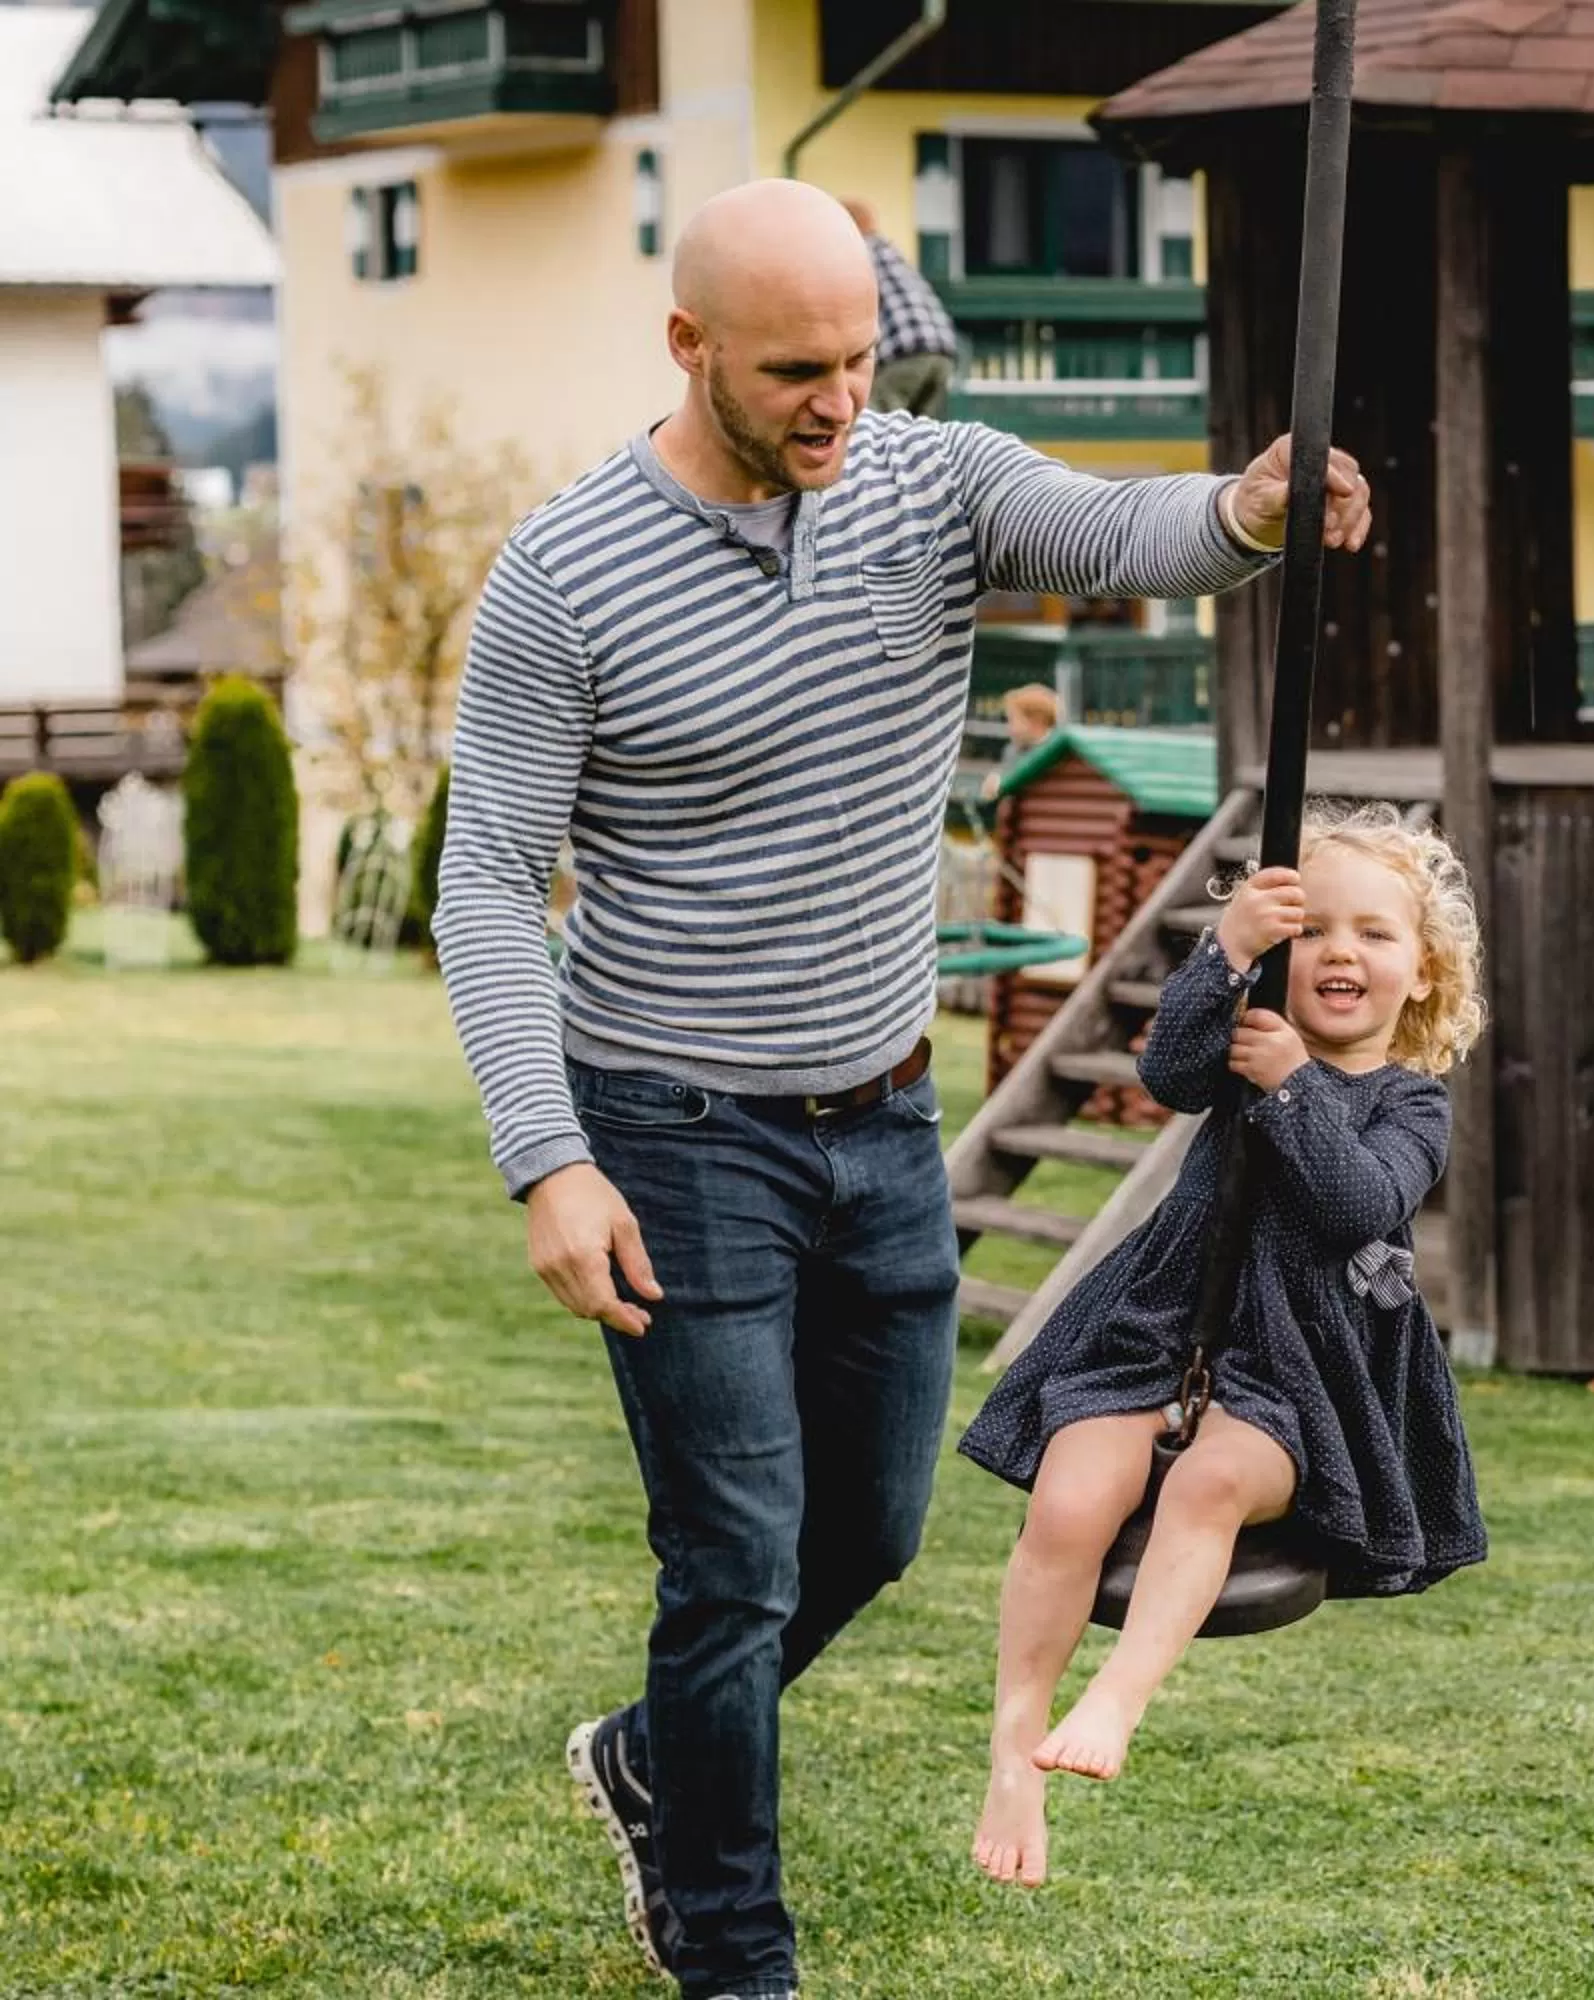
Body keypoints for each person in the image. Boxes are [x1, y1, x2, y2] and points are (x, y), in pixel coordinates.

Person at [433, 177, 1371, 2000]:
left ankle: (652, 1760)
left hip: (879, 1122)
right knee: (737, 1554)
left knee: (870, 1531)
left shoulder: (923, 488)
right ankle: (731, 1946)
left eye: (860, 360)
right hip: (671, 1130)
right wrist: (545, 1155)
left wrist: (1248, 510)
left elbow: (1113, 529)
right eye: (795, 371)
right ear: (687, 346)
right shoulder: (567, 574)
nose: (838, 404)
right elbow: (488, 878)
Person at [958, 804, 1488, 1887]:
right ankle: (1016, 1744)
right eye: (1315, 931)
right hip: (1162, 1326)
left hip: (1298, 1367)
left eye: (1375, 934)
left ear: (1424, 972)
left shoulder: (1410, 1105)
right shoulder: (1246, 1034)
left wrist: (1292, 1080)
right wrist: (1226, 950)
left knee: (1205, 1486)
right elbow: (1167, 1071)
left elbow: (1355, 1204)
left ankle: (1117, 1696)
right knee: (1067, 1499)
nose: (1340, 951)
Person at [841, 195, 959, 419]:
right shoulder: (892, 253)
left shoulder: (858, 251)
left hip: (906, 352)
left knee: (872, 421)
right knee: (919, 431)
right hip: (943, 352)